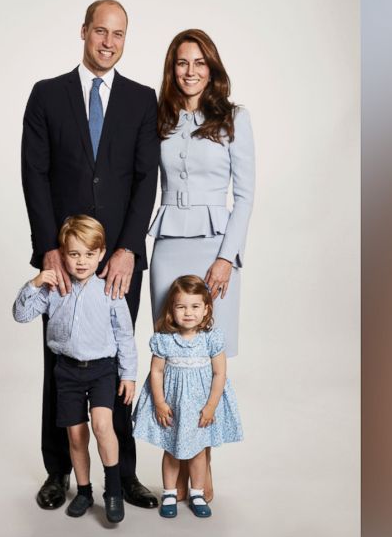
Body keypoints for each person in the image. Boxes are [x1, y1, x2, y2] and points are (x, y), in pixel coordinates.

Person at [20, 0, 159, 511]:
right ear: (84, 32)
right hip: (64, 260)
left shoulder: (143, 101)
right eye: (100, 31)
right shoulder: (47, 95)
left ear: (126, 39)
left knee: (117, 364)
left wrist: (127, 249)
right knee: (58, 365)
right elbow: (33, 174)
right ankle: (58, 470)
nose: (108, 42)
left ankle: (122, 476)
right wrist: (48, 251)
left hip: (118, 264)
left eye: (118, 34)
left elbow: (148, 180)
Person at [147, 29, 255, 501]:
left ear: (212, 68)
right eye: (181, 63)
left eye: (199, 62)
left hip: (215, 246)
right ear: (172, 70)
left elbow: (246, 195)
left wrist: (226, 257)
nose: (189, 71)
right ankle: (175, 470)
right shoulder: (160, 119)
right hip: (168, 244)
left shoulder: (235, 118)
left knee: (208, 356)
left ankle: (203, 463)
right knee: (173, 359)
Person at [13, 215, 138, 523]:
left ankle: (113, 490)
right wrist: (35, 282)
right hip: (67, 371)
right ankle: (84, 491)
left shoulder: (109, 290)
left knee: (101, 425)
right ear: (63, 253)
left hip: (102, 371)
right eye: (74, 254)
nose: (82, 262)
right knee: (76, 436)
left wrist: (129, 374)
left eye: (89, 254)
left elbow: (125, 335)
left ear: (101, 253)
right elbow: (20, 314)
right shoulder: (55, 288)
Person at [132, 275, 244, 519]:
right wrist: (160, 403)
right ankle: (170, 492)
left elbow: (219, 373)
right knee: (171, 450)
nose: (188, 313)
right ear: (172, 310)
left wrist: (211, 406)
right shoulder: (164, 340)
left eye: (195, 306)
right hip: (174, 407)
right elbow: (156, 372)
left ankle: (197, 492)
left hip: (201, 408)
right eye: (181, 306)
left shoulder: (211, 339)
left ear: (206, 309)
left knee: (198, 451)